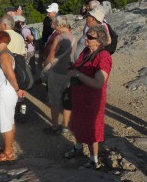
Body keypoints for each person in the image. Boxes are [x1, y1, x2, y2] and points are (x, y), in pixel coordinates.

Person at [65, 25, 112, 170]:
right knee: (78, 123)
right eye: (87, 35)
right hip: (79, 96)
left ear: (99, 41)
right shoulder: (86, 51)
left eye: (90, 37)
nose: (87, 38)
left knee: (92, 129)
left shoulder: (103, 57)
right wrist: (74, 69)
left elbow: (98, 83)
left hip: (92, 100)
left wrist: (77, 74)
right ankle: (78, 147)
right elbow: (82, 67)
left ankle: (94, 160)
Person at [0, 31, 25, 161]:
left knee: (5, 123)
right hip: (4, 92)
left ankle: (8, 153)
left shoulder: (4, 56)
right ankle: (7, 146)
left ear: (0, 41)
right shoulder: (4, 53)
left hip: (5, 92)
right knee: (9, 121)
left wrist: (17, 89)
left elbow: (10, 75)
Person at [42, 16, 76, 135]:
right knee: (66, 100)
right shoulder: (73, 37)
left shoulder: (59, 38)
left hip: (56, 72)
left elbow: (51, 56)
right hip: (68, 72)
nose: (53, 27)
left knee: (54, 100)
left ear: (60, 25)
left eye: (55, 25)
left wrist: (44, 66)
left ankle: (55, 126)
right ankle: (66, 125)